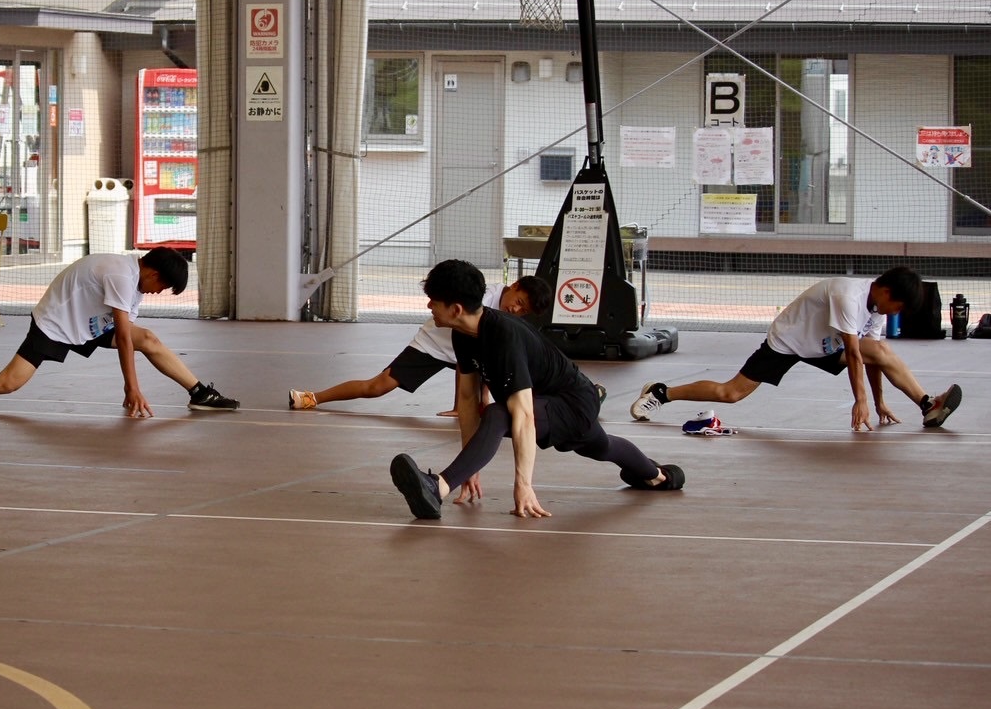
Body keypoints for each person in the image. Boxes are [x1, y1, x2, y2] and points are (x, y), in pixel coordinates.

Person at [389, 260, 683, 521]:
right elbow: (467, 400)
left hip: (573, 402)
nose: (429, 307)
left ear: (455, 309)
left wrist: (524, 485)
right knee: (600, 445)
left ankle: (437, 487)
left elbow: (524, 414)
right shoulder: (462, 334)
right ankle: (658, 476)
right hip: (553, 404)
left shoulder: (505, 335)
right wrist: (470, 466)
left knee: (498, 413)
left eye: (434, 301)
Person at [0, 247, 240, 417]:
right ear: (151, 272)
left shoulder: (134, 281)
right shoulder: (121, 275)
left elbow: (128, 333)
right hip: (55, 323)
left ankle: (200, 393)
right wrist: (132, 388)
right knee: (7, 383)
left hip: (90, 324)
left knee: (148, 339)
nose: (160, 292)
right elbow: (123, 337)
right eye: (163, 285)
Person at [629, 267, 962, 431]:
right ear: (886, 290)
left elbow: (871, 357)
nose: (897, 314)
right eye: (899, 306)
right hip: (789, 340)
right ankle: (662, 392)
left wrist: (878, 402)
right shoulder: (850, 296)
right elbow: (856, 353)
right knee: (730, 394)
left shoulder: (876, 309)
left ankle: (927, 404)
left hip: (824, 344)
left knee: (882, 351)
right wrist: (860, 401)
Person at [288, 276, 592, 413]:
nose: (517, 310)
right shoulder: (481, 298)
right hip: (435, 344)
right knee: (377, 387)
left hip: (467, 352)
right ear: (513, 287)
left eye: (523, 311)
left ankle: (590, 392)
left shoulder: (503, 324)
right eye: (519, 302)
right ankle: (313, 397)